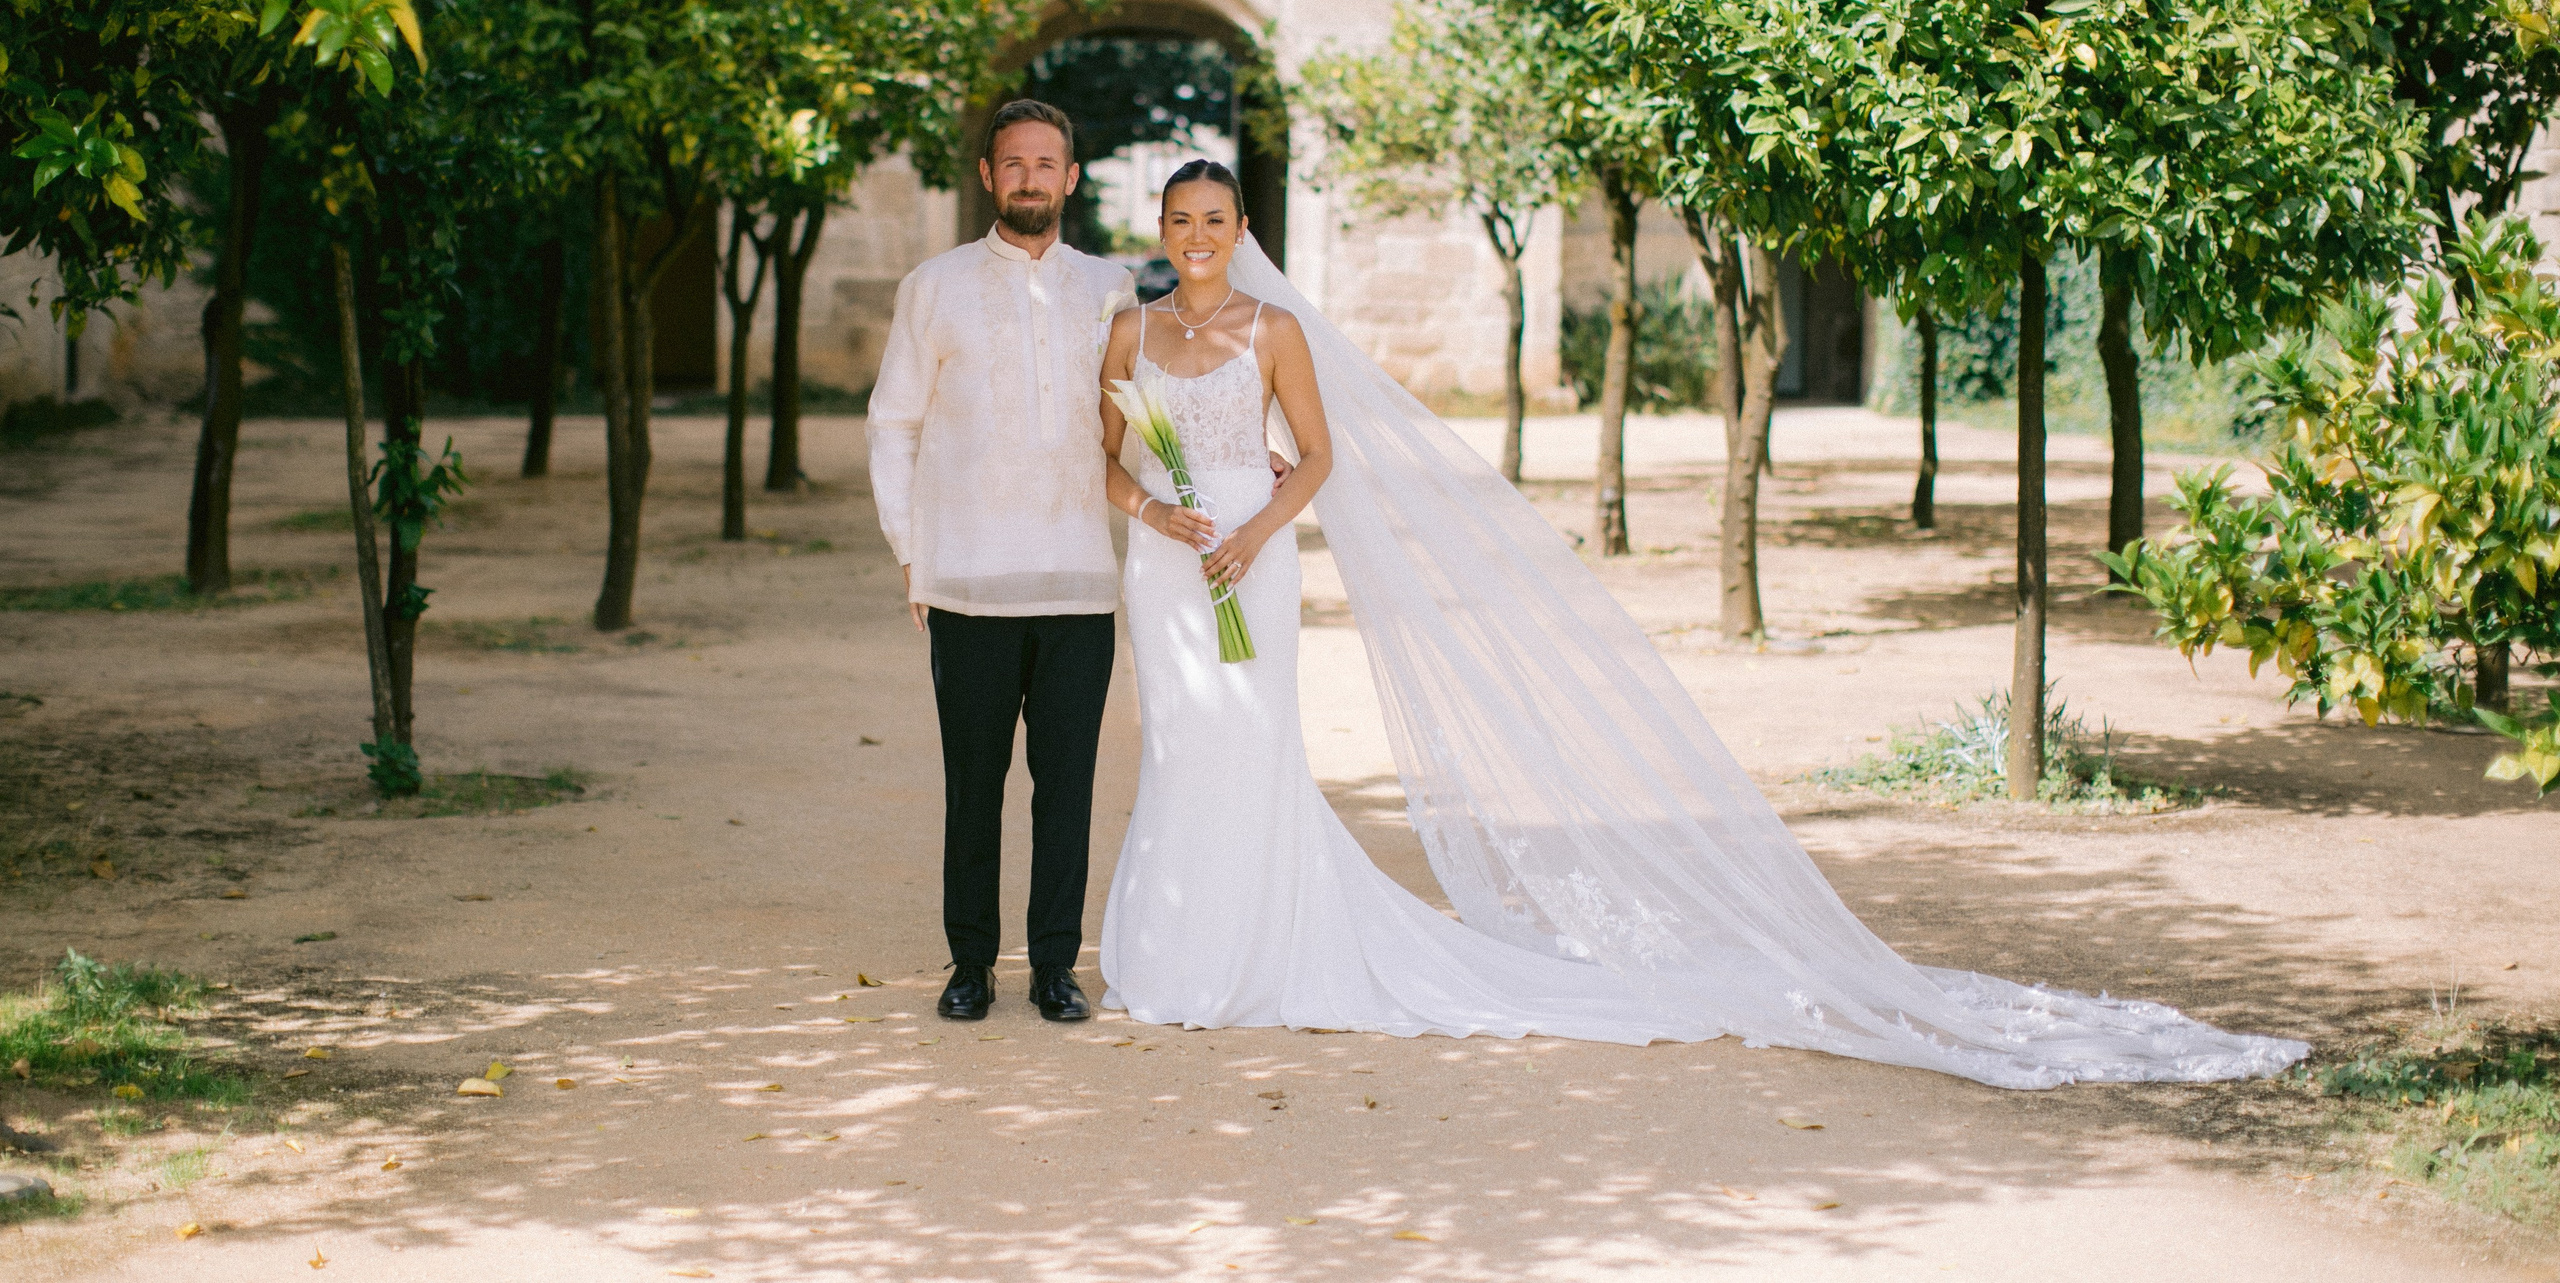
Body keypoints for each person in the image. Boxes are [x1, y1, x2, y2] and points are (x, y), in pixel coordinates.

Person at [1092, 158, 2310, 1087]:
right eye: (1179, 222)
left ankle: (1259, 948)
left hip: (1248, 569)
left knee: (1251, 749)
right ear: (1161, 232)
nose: (1197, 240)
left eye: (1216, 221)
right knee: (1181, 746)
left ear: (1244, 232)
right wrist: (1156, 511)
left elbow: (1317, 460)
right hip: (1167, 571)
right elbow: (1105, 464)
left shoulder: (1275, 331)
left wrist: (1253, 533)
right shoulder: (1131, 332)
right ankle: (1178, 951)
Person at [866, 99, 1132, 1026]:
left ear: (1070, 176)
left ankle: (1056, 965)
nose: (1028, 178)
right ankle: (970, 962)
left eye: (1045, 163)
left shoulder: (1109, 288)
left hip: (1078, 583)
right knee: (972, 786)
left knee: (1068, 789)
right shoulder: (933, 286)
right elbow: (894, 423)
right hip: (969, 584)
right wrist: (914, 552)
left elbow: (1146, 412)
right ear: (987, 175)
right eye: (1011, 163)